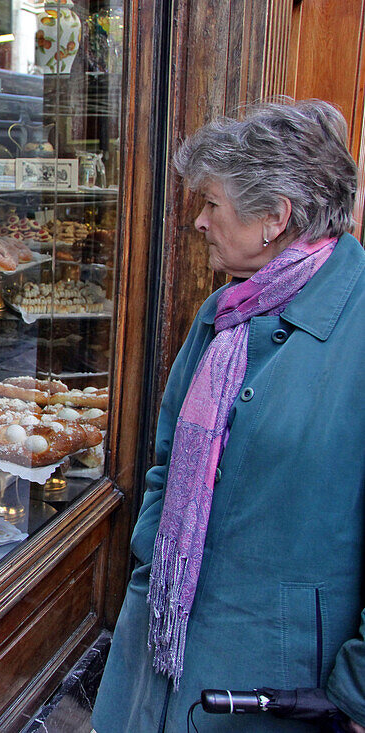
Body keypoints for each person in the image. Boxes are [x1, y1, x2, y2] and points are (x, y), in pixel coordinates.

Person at [93, 99, 365, 732]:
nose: (198, 220)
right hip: (162, 650)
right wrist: (156, 556)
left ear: (274, 218)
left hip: (281, 683)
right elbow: (166, 463)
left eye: (211, 203)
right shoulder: (224, 312)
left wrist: (355, 694)